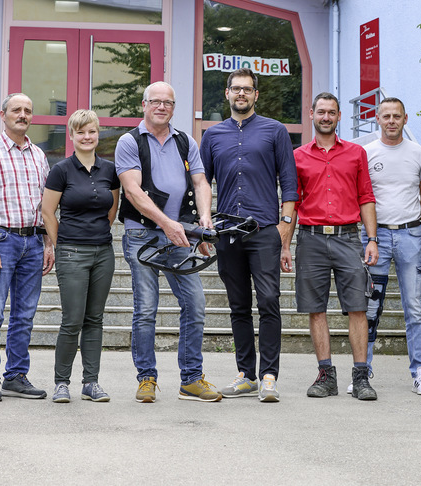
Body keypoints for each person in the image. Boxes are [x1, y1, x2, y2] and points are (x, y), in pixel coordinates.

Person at [115, 81, 221, 403]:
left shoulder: (185, 141)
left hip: (180, 232)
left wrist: (203, 221)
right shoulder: (129, 141)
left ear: (174, 108)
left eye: (169, 102)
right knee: (146, 309)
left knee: (195, 303)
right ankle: (146, 379)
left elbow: (201, 182)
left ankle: (190, 379)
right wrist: (169, 225)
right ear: (144, 105)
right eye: (156, 101)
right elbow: (133, 191)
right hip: (142, 234)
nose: (162, 107)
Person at [200, 67, 298, 402]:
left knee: (269, 300)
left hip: (263, 230)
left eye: (247, 89)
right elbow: (201, 185)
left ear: (256, 95)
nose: (241, 94)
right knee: (238, 304)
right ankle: (246, 375)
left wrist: (285, 225)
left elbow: (289, 182)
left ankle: (269, 376)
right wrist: (202, 226)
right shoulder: (212, 136)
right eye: (235, 89)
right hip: (227, 232)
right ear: (226, 94)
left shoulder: (275, 131)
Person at [281, 92, 379, 401]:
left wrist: (372, 238)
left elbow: (366, 196)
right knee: (315, 308)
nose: (326, 117)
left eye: (331, 112)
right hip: (310, 239)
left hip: (349, 238)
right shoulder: (297, 157)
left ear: (338, 117)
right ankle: (326, 375)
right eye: (321, 111)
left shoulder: (355, 153)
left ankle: (361, 376)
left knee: (358, 307)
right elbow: (291, 203)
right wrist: (284, 245)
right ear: (311, 114)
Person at [0, 93, 54, 401]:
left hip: (32, 240)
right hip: (0, 240)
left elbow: (45, 205)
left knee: (24, 313)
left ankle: (16, 376)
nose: (23, 114)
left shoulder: (39, 156)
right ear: (2, 114)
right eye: (16, 109)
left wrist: (48, 243)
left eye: (28, 110)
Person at [356, 97, 421, 395]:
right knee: (370, 307)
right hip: (374, 238)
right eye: (386, 116)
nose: (391, 121)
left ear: (405, 119)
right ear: (377, 118)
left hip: (410, 235)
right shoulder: (366, 152)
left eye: (396, 116)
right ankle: (363, 371)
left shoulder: (419, 153)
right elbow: (362, 197)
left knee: (414, 307)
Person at [41, 109, 119, 403]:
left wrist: (96, 234)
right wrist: (64, 244)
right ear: (72, 136)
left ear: (98, 134)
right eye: (81, 132)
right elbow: (48, 212)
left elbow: (112, 210)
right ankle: (62, 383)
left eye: (92, 131)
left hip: (103, 252)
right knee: (72, 320)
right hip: (72, 252)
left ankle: (91, 382)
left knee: (94, 319)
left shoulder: (109, 170)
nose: (87, 137)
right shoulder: (61, 170)